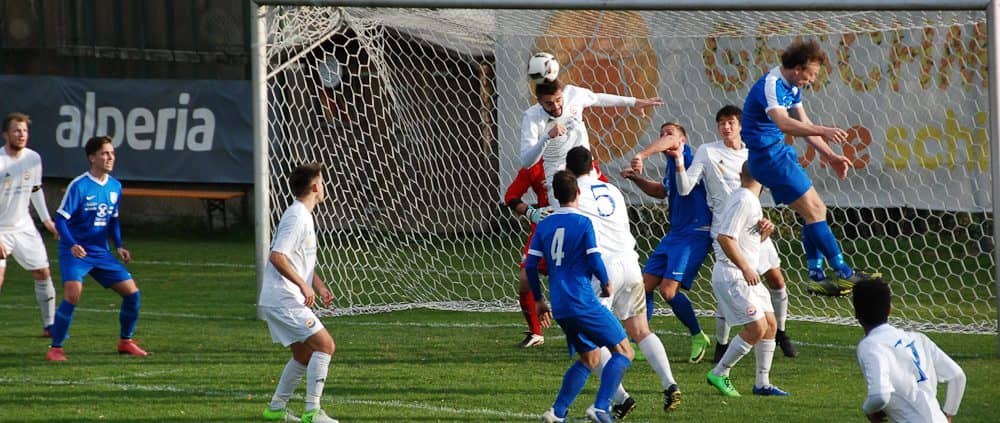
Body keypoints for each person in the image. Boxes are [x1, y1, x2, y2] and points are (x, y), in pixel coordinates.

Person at [741, 38, 878, 293]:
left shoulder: (793, 87)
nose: (813, 80)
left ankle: (816, 277)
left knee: (814, 212)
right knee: (816, 210)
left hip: (777, 155)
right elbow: (783, 123)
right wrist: (824, 129)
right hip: (769, 158)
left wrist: (831, 155)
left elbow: (803, 124)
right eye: (811, 74)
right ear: (797, 69)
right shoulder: (771, 85)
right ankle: (845, 273)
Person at [665, 105, 797, 360]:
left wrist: (766, 220)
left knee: (777, 281)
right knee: (732, 284)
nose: (726, 127)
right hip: (725, 230)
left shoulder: (753, 154)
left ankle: (780, 332)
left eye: (731, 122)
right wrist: (680, 160)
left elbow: (763, 191)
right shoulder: (708, 151)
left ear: (740, 126)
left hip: (755, 228)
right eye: (721, 123)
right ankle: (722, 344)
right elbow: (683, 189)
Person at [567, 146, 681, 415]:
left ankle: (620, 398)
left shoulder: (574, 195)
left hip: (602, 271)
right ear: (594, 164)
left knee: (589, 341)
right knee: (641, 330)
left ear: (569, 170)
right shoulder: (613, 190)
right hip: (630, 264)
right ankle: (670, 384)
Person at [527, 170, 633, 423]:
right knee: (624, 351)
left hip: (561, 306)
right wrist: (606, 283)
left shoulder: (544, 224)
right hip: (582, 301)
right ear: (578, 192)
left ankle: (557, 412)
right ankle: (601, 406)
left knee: (590, 357)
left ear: (554, 195)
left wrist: (540, 301)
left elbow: (531, 266)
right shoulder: (584, 223)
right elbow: (595, 259)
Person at [45, 136, 147, 361]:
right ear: (92, 158)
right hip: (76, 251)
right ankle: (56, 348)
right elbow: (61, 220)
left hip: (101, 252)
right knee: (73, 294)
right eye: (105, 153)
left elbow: (113, 220)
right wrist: (72, 244)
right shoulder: (79, 185)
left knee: (133, 294)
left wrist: (119, 245)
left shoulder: (115, 186)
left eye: (112, 153)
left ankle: (125, 341)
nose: (110, 157)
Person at [623, 122, 714, 364]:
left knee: (668, 290)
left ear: (682, 140)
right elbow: (662, 191)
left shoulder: (689, 157)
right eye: (661, 133)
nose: (665, 138)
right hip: (676, 233)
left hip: (696, 232)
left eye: (670, 134)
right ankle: (640, 340)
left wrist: (641, 154)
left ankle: (698, 336)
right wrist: (636, 179)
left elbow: (671, 141)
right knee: (643, 286)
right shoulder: (671, 164)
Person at [260, 162, 339, 423]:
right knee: (325, 345)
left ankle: (275, 409)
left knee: (304, 354)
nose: (324, 186)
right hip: (283, 298)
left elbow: (296, 258)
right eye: (323, 182)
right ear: (315, 186)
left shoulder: (303, 215)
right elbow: (277, 256)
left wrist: (317, 284)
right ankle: (312, 412)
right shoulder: (297, 217)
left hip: (281, 298)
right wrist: (303, 286)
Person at [705, 162, 789, 398]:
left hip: (746, 273)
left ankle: (762, 383)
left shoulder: (748, 200)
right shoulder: (743, 199)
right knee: (757, 327)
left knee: (771, 325)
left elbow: (742, 240)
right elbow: (725, 238)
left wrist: (762, 235)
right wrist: (744, 268)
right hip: (734, 274)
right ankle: (720, 372)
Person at [520, 78, 662, 207]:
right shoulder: (532, 117)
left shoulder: (573, 94)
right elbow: (527, 161)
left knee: (604, 212)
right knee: (571, 222)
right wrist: (547, 137)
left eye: (558, 100)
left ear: (562, 93)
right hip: (559, 178)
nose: (556, 106)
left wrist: (634, 102)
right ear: (539, 101)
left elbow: (598, 98)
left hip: (586, 171)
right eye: (549, 103)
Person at [853, 279, 966, 422]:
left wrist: (869, 410)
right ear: (890, 309)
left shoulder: (870, 345)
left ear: (856, 314)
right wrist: (948, 414)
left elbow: (879, 396)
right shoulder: (919, 339)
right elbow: (957, 376)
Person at [0, 113, 57, 337]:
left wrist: (46, 220)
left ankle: (50, 325)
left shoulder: (33, 158)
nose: (21, 134)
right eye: (16, 130)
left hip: (24, 226)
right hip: (1, 229)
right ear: (5, 134)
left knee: (43, 272)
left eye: (24, 130)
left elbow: (35, 189)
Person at [503, 161, 552, 347]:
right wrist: (531, 213)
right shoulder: (534, 165)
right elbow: (511, 196)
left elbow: (600, 184)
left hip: (571, 228)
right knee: (525, 279)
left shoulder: (575, 158)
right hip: (542, 231)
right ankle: (536, 333)